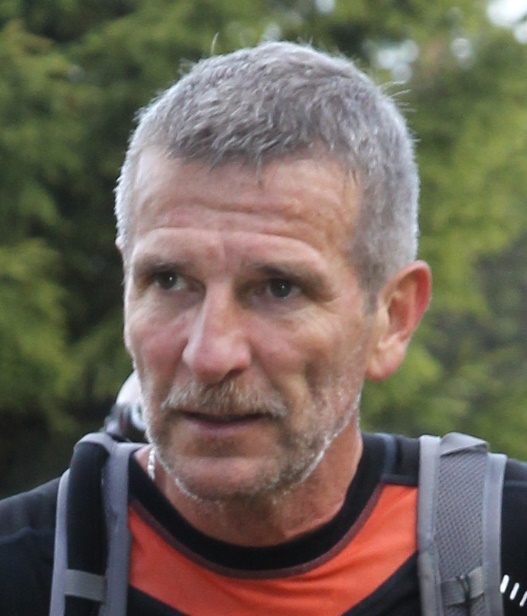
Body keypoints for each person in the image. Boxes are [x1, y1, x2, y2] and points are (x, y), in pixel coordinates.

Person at [1, 41, 526, 616]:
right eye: (170, 280)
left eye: (279, 288)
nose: (210, 355)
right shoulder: (24, 572)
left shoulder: (504, 552)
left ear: (392, 318)